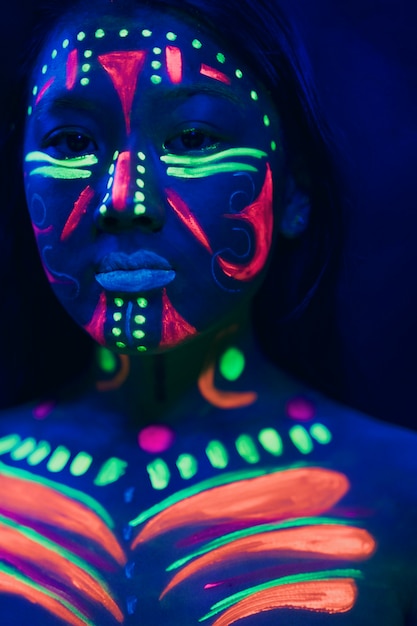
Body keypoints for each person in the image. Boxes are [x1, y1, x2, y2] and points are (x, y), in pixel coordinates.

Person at [0, 0, 416, 624]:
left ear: (295, 189)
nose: (123, 200)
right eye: (71, 141)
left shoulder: (405, 496)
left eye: (192, 138)